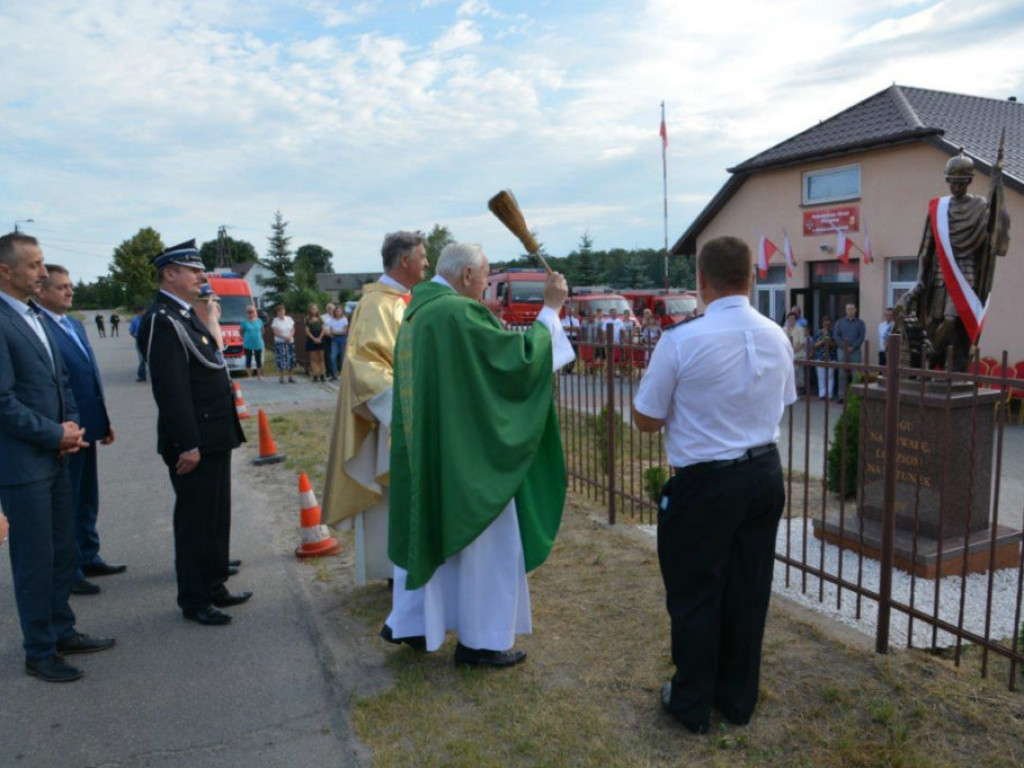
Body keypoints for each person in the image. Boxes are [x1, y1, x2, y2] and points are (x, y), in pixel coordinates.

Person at [632, 235, 795, 732]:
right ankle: (737, 698)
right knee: (748, 591)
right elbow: (782, 400)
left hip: (706, 482)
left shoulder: (682, 340)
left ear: (700, 282)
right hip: (765, 473)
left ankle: (692, 703)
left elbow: (645, 419)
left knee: (696, 592)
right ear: (751, 277)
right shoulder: (777, 335)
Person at [385, 242, 575, 667]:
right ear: (467, 275)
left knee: (430, 530)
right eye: (486, 276)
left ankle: (413, 623)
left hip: (435, 447)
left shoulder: (419, 311)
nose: (487, 285)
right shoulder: (457, 313)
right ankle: (481, 641)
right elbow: (519, 363)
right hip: (468, 457)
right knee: (489, 543)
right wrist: (550, 310)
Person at [0, 232, 115, 682]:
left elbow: (60, 381)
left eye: (43, 263)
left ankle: (62, 629)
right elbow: (4, 402)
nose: (44, 274)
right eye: (33, 266)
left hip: (57, 456)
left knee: (62, 550)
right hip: (23, 464)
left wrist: (71, 428)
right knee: (34, 559)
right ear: (5, 272)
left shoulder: (36, 317)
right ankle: (40, 650)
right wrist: (53, 434)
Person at [138, 239, 250, 626]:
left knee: (216, 515)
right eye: (193, 269)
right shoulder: (162, 319)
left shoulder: (184, 315)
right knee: (195, 522)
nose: (202, 276)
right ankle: (195, 598)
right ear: (170, 274)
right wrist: (187, 443)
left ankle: (215, 584)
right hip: (194, 440)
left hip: (214, 435)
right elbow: (171, 389)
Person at [323, 231, 428, 588]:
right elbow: (367, 365)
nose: (426, 263)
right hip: (391, 420)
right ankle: (393, 570)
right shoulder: (380, 305)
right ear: (404, 262)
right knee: (391, 497)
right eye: (422, 256)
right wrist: (407, 412)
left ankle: (403, 567)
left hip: (402, 413)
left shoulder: (399, 300)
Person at [36, 264, 125, 597]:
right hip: (67, 432)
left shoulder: (73, 324)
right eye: (61, 287)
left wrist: (104, 420)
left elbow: (89, 374)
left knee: (87, 496)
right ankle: (69, 569)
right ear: (41, 291)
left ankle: (88, 555)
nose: (69, 292)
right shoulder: (40, 326)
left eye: (71, 286)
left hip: (89, 426)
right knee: (68, 501)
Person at [897, 151, 1009, 371]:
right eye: (953, 182)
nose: (957, 187)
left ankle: (929, 358)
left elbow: (997, 229)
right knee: (931, 323)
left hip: (965, 274)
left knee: (952, 321)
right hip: (939, 274)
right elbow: (925, 249)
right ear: (947, 180)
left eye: (962, 182)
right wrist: (919, 279)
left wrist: (998, 187)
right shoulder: (938, 208)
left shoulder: (980, 206)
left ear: (969, 181)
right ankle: (927, 364)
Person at [833, 303, 865, 403]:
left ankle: (855, 396)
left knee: (856, 374)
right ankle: (841, 396)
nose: (850, 311)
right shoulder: (840, 322)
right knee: (842, 374)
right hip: (842, 351)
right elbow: (836, 336)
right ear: (846, 310)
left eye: (852, 309)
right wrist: (844, 346)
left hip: (855, 351)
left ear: (855, 310)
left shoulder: (860, 323)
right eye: (848, 309)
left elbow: (861, 337)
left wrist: (853, 347)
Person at [811, 316, 838, 400]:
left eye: (828, 324)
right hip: (820, 357)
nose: (826, 325)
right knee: (821, 377)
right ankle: (822, 394)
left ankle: (829, 395)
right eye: (825, 323)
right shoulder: (818, 332)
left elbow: (836, 345)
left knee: (830, 376)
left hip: (831, 357)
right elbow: (814, 345)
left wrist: (829, 342)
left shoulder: (833, 333)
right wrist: (822, 341)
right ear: (822, 324)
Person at [271, 304, 296, 383]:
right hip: (280, 342)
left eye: (282, 311)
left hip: (290, 341)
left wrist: (290, 336)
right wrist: (284, 337)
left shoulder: (289, 319)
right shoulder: (275, 320)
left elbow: (293, 329)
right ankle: (281, 377)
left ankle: (290, 376)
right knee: (281, 359)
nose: (281, 313)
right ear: (277, 313)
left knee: (291, 359)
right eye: (279, 312)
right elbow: (275, 332)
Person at [784, 312, 807, 395]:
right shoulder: (784, 329)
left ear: (796, 320)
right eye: (789, 319)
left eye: (793, 319)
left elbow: (802, 343)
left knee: (798, 374)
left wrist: (793, 350)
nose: (791, 320)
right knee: (788, 374)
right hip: (787, 355)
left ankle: (797, 392)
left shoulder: (800, 329)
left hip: (798, 354)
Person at [239, 304, 265, 379]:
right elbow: (241, 332)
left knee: (258, 360)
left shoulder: (259, 321)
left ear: (255, 312)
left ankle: (259, 376)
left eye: (252, 311)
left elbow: (262, 330)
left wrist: (258, 336)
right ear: (246, 313)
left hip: (258, 343)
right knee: (248, 359)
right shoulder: (244, 322)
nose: (250, 313)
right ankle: (249, 376)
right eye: (249, 312)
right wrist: (246, 337)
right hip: (248, 343)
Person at [305, 303, 327, 383]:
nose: (314, 310)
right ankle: (315, 375)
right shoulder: (307, 319)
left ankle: (322, 374)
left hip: (320, 338)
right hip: (312, 339)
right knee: (314, 359)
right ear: (310, 310)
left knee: (321, 358)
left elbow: (323, 329)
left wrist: (320, 338)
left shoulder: (320, 319)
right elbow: (307, 331)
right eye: (313, 308)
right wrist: (314, 339)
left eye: (316, 308)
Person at [326, 305, 349, 382]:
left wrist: (336, 332)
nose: (338, 312)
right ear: (335, 312)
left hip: (343, 339)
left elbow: (345, 331)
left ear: (341, 312)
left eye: (339, 311)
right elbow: (331, 331)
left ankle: (344, 374)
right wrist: (338, 332)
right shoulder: (332, 320)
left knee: (343, 358)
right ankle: (334, 374)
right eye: (337, 311)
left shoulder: (344, 319)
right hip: (334, 339)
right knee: (333, 357)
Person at [128, 306, 148, 382]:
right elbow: (131, 331)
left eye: (145, 311)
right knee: (142, 359)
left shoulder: (148, 319)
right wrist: (137, 337)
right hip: (139, 340)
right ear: (139, 312)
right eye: (143, 311)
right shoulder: (135, 320)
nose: (144, 313)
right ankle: (142, 376)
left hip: (148, 340)